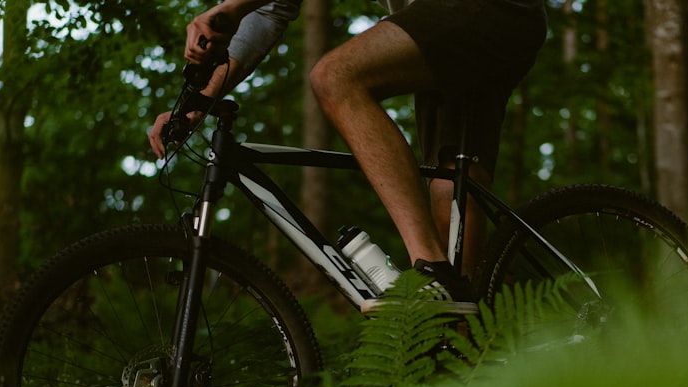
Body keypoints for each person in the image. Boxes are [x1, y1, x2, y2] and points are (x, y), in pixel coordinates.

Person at [149, 0, 547, 314]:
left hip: (488, 8)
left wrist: (234, 7)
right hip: (471, 26)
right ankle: (465, 364)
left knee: (337, 77)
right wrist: (196, 103)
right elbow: (270, 11)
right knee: (451, 193)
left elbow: (250, 9)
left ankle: (430, 275)